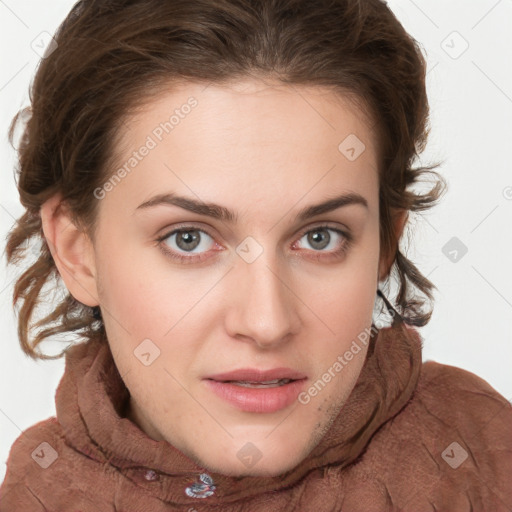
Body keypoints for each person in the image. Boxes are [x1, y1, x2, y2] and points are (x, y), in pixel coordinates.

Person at [1, 0, 511, 510]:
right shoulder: (36, 495)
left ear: (384, 243)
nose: (266, 323)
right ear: (77, 252)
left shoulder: (484, 459)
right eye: (189, 239)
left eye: (320, 237)